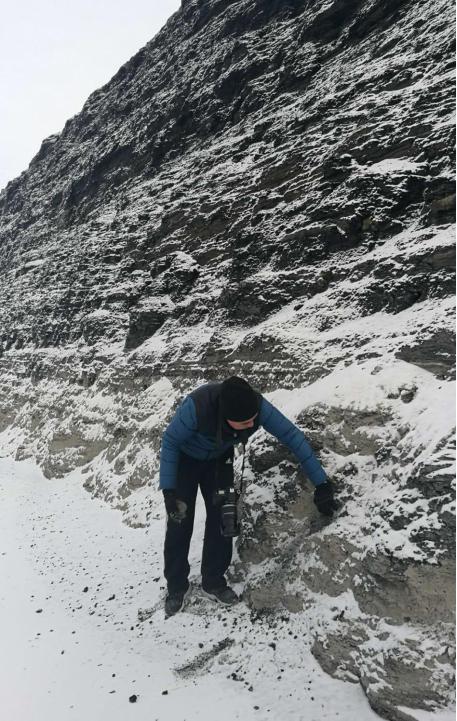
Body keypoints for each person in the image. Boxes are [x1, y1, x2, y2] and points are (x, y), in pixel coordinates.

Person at [159, 376, 336, 617]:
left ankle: (213, 581)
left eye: (254, 420)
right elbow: (170, 442)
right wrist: (169, 491)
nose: (252, 424)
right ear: (226, 417)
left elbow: (292, 437)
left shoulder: (257, 406)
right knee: (179, 521)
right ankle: (176, 586)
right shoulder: (197, 407)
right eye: (245, 423)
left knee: (223, 519)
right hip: (184, 461)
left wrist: (322, 483)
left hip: (219, 461)